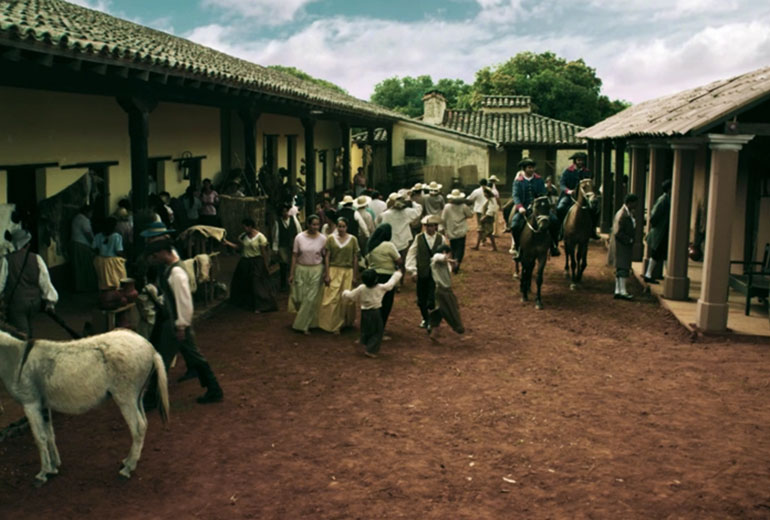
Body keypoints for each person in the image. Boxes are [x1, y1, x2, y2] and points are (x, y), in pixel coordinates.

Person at [145, 238, 223, 404]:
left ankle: (153, 397)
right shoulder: (171, 268)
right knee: (188, 356)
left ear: (163, 253)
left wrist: (181, 326)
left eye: (155, 255)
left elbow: (184, 302)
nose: (154, 259)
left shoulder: (177, 273)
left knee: (163, 359)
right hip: (175, 322)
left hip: (177, 324)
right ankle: (213, 388)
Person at [0, 229, 58, 337]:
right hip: (34, 303)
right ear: (28, 245)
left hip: (16, 304)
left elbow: (0, 284)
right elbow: (45, 282)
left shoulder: (7, 260)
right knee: (29, 329)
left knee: (21, 334)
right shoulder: (37, 258)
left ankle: (26, 346)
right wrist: (51, 303)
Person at [343, 268, 402, 358]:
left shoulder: (361, 288)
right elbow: (390, 284)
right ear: (376, 279)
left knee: (366, 328)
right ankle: (371, 350)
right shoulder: (380, 287)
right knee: (377, 332)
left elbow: (351, 295)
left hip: (365, 312)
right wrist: (397, 274)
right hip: (375, 313)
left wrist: (345, 293)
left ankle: (363, 341)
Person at [510, 158, 560, 258]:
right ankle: (517, 247)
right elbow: (515, 195)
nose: (532, 169)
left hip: (539, 208)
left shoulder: (539, 179)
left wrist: (543, 198)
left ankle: (554, 245)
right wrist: (520, 207)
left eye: (533, 167)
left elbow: (543, 193)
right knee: (514, 225)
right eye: (529, 167)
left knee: (554, 220)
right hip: (524, 208)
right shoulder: (518, 181)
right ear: (524, 169)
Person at [225, 218, 277, 313]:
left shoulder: (260, 237)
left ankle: (261, 305)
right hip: (245, 261)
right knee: (243, 282)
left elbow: (263, 252)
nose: (244, 229)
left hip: (256, 261)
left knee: (256, 283)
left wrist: (266, 265)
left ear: (250, 227)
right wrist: (228, 243)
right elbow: (239, 247)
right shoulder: (243, 236)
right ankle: (247, 303)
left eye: (245, 227)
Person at [318, 217, 359, 333]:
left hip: (348, 271)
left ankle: (344, 322)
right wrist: (327, 273)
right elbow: (327, 256)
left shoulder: (353, 239)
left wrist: (355, 275)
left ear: (347, 227)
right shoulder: (331, 238)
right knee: (332, 298)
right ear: (336, 227)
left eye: (343, 226)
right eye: (339, 226)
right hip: (334, 270)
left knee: (346, 299)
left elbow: (355, 258)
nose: (341, 229)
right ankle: (332, 323)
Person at [405, 214, 446, 328]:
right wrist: (413, 270)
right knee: (421, 297)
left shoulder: (441, 238)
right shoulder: (419, 238)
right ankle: (425, 318)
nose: (429, 228)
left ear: (436, 226)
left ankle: (432, 319)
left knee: (432, 298)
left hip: (435, 273)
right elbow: (412, 254)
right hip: (422, 272)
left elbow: (444, 255)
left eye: (432, 226)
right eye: (427, 226)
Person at [289, 214, 327, 335]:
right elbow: (294, 255)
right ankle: (307, 320)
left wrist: (326, 272)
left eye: (317, 225)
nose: (315, 227)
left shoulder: (323, 239)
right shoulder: (299, 237)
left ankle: (303, 325)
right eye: (313, 224)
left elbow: (326, 256)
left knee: (310, 298)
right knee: (299, 297)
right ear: (308, 224)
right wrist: (291, 273)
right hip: (301, 269)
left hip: (316, 270)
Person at [365, 223, 402, 330]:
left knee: (374, 303)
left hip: (373, 276)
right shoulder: (388, 245)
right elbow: (399, 260)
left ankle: (371, 327)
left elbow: (367, 260)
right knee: (386, 304)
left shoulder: (370, 245)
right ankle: (380, 329)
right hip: (387, 277)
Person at [556, 151, 599, 239]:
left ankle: (592, 230)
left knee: (595, 209)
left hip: (583, 197)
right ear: (575, 161)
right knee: (560, 208)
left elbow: (589, 184)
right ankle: (560, 230)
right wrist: (568, 191)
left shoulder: (587, 172)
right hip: (569, 196)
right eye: (578, 160)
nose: (580, 162)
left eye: (582, 160)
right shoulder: (567, 171)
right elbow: (562, 184)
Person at [376, 193, 423, 269]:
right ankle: (402, 274)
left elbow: (377, 223)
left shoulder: (385, 214)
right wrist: (412, 202)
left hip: (391, 243)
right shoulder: (407, 212)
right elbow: (419, 209)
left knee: (392, 264)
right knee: (404, 262)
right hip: (404, 242)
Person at [427, 244, 465, 337]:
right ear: (445, 252)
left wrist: (451, 263)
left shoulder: (445, 264)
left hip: (444, 290)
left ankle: (434, 330)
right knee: (450, 309)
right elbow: (438, 257)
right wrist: (449, 259)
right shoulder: (436, 259)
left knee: (440, 310)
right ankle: (457, 327)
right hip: (442, 290)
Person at [609, 193, 639, 300]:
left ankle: (618, 290)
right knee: (623, 269)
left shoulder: (626, 212)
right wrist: (629, 240)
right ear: (629, 203)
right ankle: (623, 291)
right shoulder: (623, 214)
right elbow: (618, 232)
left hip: (621, 245)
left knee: (620, 269)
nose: (636, 205)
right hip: (622, 246)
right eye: (635, 203)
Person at [644, 179, 672, 284]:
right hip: (661, 231)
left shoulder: (667, 199)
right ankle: (649, 274)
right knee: (657, 253)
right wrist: (656, 224)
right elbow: (654, 215)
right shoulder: (663, 200)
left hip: (663, 230)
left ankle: (650, 274)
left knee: (662, 253)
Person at [441, 189, 474, 273]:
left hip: (451, 230)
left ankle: (453, 262)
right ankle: (457, 262)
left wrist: (444, 228)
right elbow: (470, 215)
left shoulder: (447, 207)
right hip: (461, 230)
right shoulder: (463, 206)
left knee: (453, 247)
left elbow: (443, 219)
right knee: (460, 248)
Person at [273, 203, 302, 292]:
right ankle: (283, 284)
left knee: (293, 264)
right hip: (283, 245)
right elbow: (276, 235)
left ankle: (293, 282)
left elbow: (299, 231)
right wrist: (275, 248)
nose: (285, 213)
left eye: (286, 211)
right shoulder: (278, 222)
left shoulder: (294, 220)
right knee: (283, 264)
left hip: (293, 245)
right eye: (283, 212)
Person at [92, 217, 127, 292]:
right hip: (113, 262)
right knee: (116, 281)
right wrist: (125, 257)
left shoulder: (98, 236)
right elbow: (118, 251)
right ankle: (115, 295)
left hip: (100, 261)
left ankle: (105, 295)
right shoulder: (117, 236)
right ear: (114, 226)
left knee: (104, 282)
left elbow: (94, 249)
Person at [70, 204, 97, 292]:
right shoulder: (84, 220)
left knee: (78, 266)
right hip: (82, 245)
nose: (91, 215)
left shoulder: (77, 218)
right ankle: (85, 287)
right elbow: (88, 234)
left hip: (76, 243)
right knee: (85, 266)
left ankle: (79, 286)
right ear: (86, 212)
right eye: (91, 213)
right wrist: (94, 244)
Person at [473, 187, 499, 251]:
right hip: (486, 217)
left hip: (488, 218)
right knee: (481, 231)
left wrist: (484, 217)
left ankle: (494, 247)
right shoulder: (490, 199)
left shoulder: (492, 200)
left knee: (488, 233)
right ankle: (477, 246)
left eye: (485, 194)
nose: (484, 195)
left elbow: (491, 210)